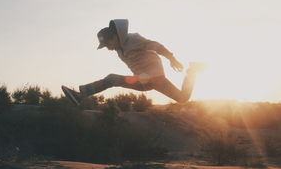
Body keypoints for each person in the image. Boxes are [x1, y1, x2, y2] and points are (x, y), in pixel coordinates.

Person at [62, 19, 205, 105]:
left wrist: (171, 58)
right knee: (182, 98)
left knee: (182, 98)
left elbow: (156, 46)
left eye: (108, 44)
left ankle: (79, 95)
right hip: (142, 81)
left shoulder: (134, 39)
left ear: (115, 37)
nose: (109, 48)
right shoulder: (119, 49)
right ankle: (192, 71)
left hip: (155, 78)